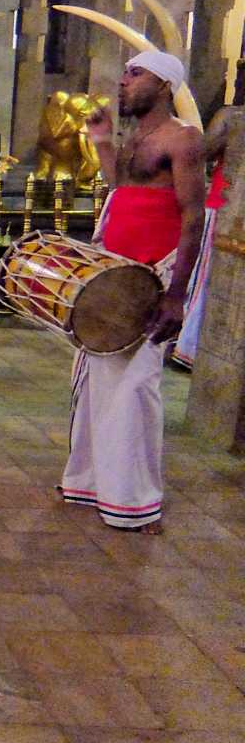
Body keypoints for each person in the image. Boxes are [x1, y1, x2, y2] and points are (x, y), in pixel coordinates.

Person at [59, 50, 206, 534]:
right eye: (123, 71)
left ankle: (139, 502)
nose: (123, 81)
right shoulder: (135, 136)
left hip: (153, 276)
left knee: (136, 389)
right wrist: (101, 141)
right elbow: (120, 186)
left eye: (135, 73)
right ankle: (91, 484)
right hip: (116, 271)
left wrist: (176, 295)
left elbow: (192, 216)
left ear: (164, 85)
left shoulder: (184, 138)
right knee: (100, 382)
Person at [171, 102, 234, 368]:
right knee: (204, 281)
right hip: (222, 207)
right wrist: (230, 134)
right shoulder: (231, 115)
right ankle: (187, 346)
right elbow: (203, 152)